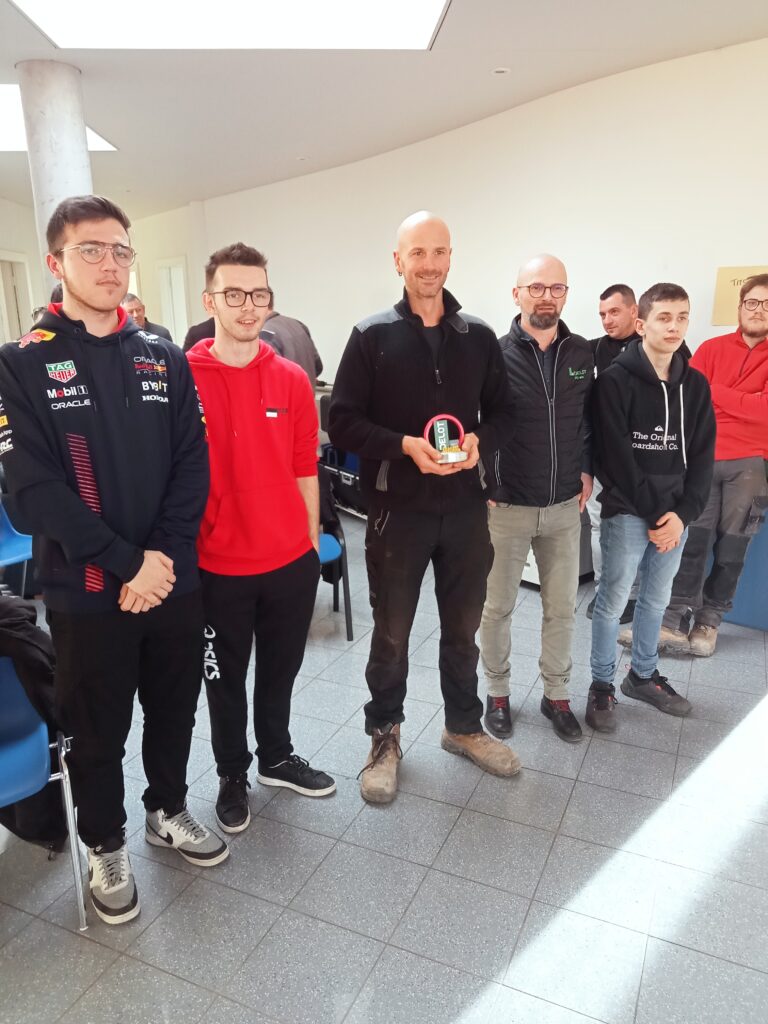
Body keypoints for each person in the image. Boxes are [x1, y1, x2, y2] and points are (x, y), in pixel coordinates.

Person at [0, 195, 228, 926]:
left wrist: (160, 560)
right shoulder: (20, 363)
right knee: (96, 727)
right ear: (56, 261)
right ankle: (105, 841)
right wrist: (128, 564)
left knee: (174, 707)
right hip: (88, 589)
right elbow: (33, 493)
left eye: (120, 250)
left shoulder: (161, 353)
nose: (109, 264)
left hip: (172, 581)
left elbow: (193, 464)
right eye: (90, 250)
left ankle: (168, 807)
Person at [329, 211, 520, 804]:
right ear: (398, 261)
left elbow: (505, 414)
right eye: (417, 253)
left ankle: (462, 726)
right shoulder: (372, 336)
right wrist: (404, 446)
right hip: (398, 512)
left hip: (465, 510)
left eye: (439, 252)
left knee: (463, 629)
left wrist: (478, 442)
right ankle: (384, 738)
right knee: (391, 633)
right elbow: (342, 422)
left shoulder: (478, 337)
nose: (429, 264)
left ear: (450, 258)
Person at [187, 242, 335, 834]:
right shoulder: (182, 376)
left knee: (280, 670)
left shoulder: (292, 379)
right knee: (224, 683)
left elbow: (305, 466)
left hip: (288, 562)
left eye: (258, 294)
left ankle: (276, 755)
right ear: (210, 301)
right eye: (234, 294)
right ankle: (232, 773)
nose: (248, 305)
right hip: (217, 565)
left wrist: (310, 544)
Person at [589, 283, 715, 730]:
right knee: (612, 601)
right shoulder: (614, 381)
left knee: (657, 600)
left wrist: (682, 515)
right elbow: (614, 456)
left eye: (682, 317)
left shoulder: (695, 385)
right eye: (664, 317)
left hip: (676, 517)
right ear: (642, 325)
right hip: (628, 510)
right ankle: (602, 685)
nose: (674, 326)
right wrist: (658, 514)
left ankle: (642, 676)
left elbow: (702, 456)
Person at [479, 254, 594, 743]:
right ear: (517, 294)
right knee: (497, 608)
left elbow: (590, 420)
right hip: (507, 507)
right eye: (537, 287)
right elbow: (476, 425)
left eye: (557, 288)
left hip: (565, 507)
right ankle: (497, 694)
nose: (547, 296)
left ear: (566, 295)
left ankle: (557, 695)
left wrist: (586, 469)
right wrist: (486, 483)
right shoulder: (494, 355)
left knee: (562, 609)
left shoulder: (581, 353)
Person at [648, 273, 768, 657]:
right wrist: (741, 402)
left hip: (750, 464)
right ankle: (674, 617)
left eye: (767, 304)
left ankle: (709, 620)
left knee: (733, 546)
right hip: (701, 458)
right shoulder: (712, 348)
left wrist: (717, 392)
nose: (759, 310)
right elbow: (689, 400)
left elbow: (763, 412)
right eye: (752, 302)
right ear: (740, 306)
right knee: (692, 541)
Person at [585, 284, 640, 622]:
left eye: (614, 312)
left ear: (635, 311)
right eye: (602, 314)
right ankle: (604, 589)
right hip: (600, 458)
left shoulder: (657, 347)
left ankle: (632, 595)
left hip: (641, 461)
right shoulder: (590, 350)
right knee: (599, 527)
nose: (607, 320)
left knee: (634, 530)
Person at [261, 296, 324, 389]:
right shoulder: (298, 324)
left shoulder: (264, 334)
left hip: (283, 397)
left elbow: (269, 381)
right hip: (307, 395)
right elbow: (318, 367)